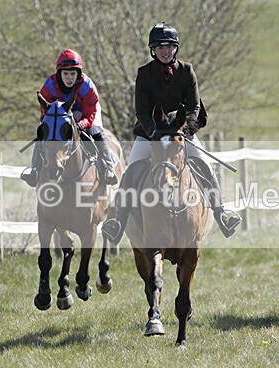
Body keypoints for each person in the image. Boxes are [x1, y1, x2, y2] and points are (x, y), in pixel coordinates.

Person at [101, 22, 241, 243]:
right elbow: (142, 110)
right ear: (153, 50)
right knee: (131, 172)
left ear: (175, 48)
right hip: (151, 135)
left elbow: (194, 107)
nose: (165, 51)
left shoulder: (187, 71)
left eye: (169, 47)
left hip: (181, 134)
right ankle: (118, 221)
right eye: (160, 47)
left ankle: (221, 213)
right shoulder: (144, 74)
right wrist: (155, 132)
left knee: (205, 166)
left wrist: (185, 130)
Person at [20, 49, 118, 187]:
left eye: (73, 74)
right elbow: (45, 115)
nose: (69, 78)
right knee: (44, 131)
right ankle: (34, 169)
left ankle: (108, 167)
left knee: (96, 130)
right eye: (66, 74)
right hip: (61, 115)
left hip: (85, 113)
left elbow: (90, 113)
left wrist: (81, 125)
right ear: (59, 73)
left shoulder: (87, 86)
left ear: (79, 73)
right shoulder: (49, 86)